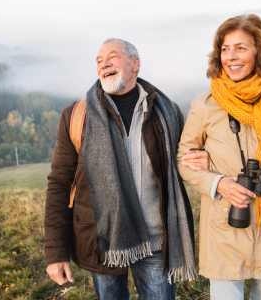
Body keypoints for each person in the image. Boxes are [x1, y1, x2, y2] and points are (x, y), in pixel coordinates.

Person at [44, 38, 205, 300]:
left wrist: (202, 161)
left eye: (112, 57)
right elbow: (59, 184)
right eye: (99, 61)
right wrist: (56, 253)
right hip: (104, 241)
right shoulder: (76, 116)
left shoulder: (167, 112)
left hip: (156, 240)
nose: (104, 64)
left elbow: (182, 165)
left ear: (135, 64)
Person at [176, 15, 261, 300]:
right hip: (227, 223)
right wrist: (219, 184)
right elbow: (184, 161)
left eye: (241, 48)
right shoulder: (204, 106)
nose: (230, 57)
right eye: (225, 49)